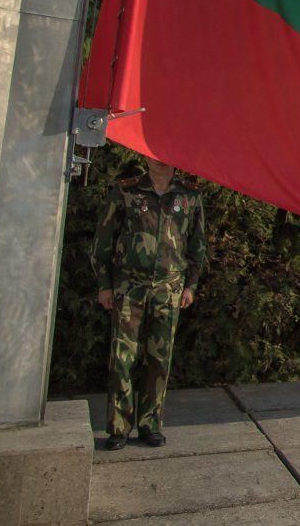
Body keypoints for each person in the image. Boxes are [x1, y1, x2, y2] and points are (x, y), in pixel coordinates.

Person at [93, 155, 206, 450]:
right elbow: (103, 242)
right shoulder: (126, 192)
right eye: (154, 155)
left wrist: (190, 286)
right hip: (129, 288)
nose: (160, 161)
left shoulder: (189, 196)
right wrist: (105, 285)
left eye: (167, 156)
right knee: (122, 359)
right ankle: (118, 428)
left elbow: (197, 246)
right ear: (144, 156)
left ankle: (150, 425)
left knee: (159, 361)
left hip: (168, 290)